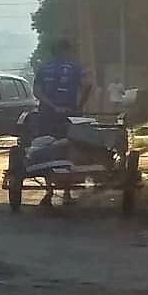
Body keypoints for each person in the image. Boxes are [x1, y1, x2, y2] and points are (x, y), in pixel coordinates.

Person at [32, 38, 88, 206]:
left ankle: (48, 192)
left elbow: (37, 91)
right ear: (67, 51)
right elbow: (88, 86)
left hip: (47, 114)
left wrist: (52, 106)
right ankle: (67, 193)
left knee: (48, 149)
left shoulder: (43, 68)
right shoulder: (76, 67)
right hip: (71, 114)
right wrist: (79, 106)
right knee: (69, 149)